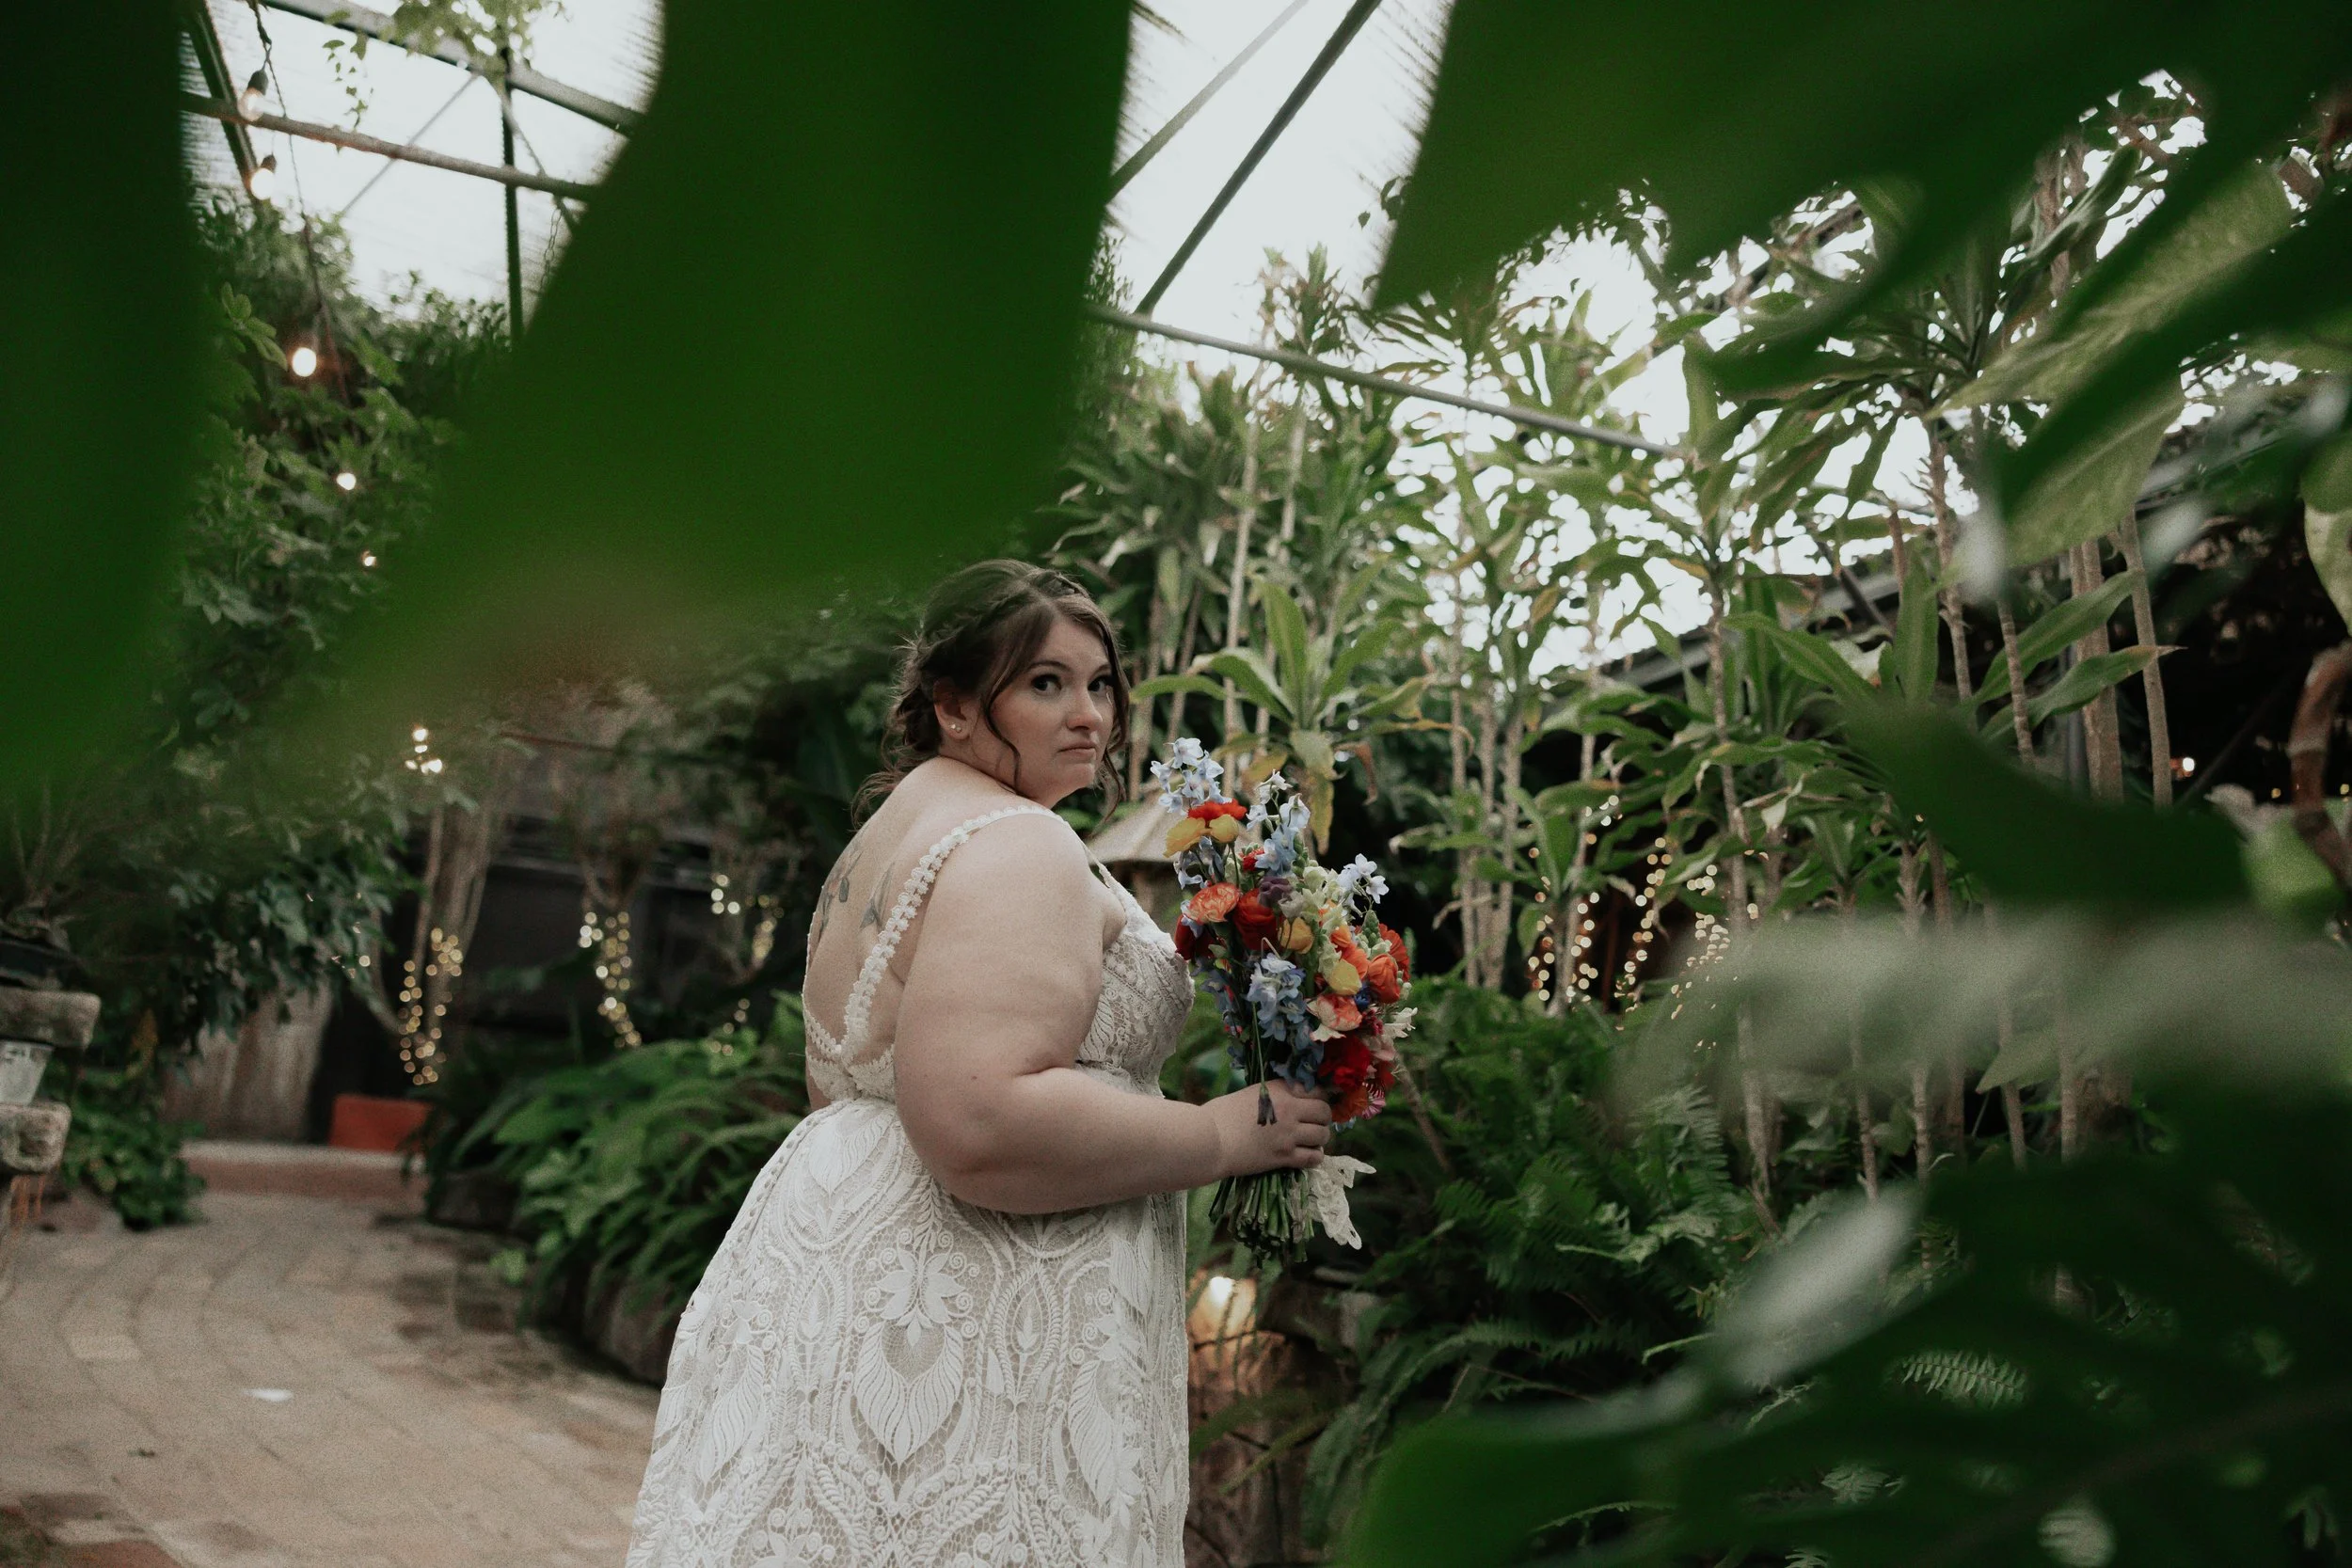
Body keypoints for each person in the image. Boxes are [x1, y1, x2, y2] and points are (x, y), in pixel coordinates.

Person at [625, 561, 1333, 1568]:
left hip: (856, 1273)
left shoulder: (894, 831)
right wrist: (1227, 1130)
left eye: (1099, 683)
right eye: (1044, 683)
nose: (1088, 714)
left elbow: (843, 1087)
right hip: (972, 1306)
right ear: (953, 705)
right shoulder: (1017, 843)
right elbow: (978, 1118)